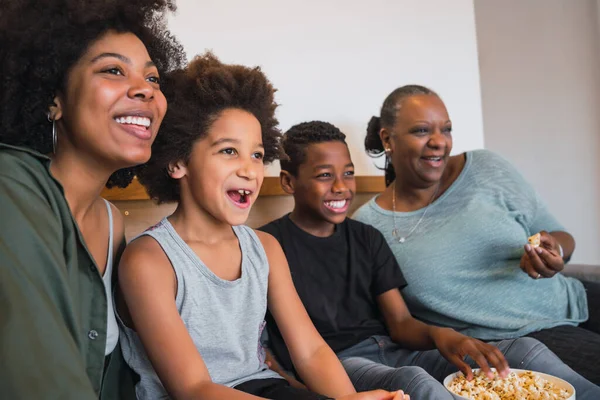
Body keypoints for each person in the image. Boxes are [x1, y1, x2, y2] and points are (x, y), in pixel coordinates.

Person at [116, 53, 408, 400]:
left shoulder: (264, 248)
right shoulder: (149, 261)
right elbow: (193, 389)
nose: (249, 170)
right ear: (178, 161)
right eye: (228, 151)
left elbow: (310, 352)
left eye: (256, 155)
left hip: (265, 387)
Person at [258, 120, 600, 399]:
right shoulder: (267, 244)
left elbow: (401, 324)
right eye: (324, 175)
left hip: (391, 348)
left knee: (525, 352)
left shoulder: (366, 237)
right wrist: (293, 383)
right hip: (338, 362)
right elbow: (260, 343)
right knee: (416, 382)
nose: (341, 186)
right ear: (289, 182)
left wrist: (445, 336)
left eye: (348, 173)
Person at [352, 84, 600, 385]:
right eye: (421, 131)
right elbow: (392, 324)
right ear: (387, 138)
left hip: (576, 300)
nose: (438, 142)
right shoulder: (367, 227)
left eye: (446, 129)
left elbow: (562, 236)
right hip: (517, 343)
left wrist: (554, 252)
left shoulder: (486, 167)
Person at [0, 0, 185, 398]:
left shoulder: (113, 222)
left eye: (153, 79)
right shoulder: (9, 187)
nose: (146, 90)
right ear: (54, 99)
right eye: (113, 70)